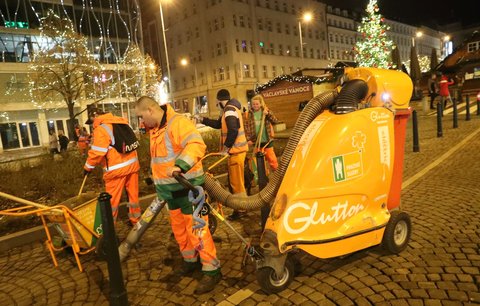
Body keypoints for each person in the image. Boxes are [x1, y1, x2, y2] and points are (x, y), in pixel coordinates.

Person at [135, 96, 221, 294]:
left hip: (188, 190)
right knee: (180, 230)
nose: (141, 122)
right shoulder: (156, 130)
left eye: (141, 116)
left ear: (149, 110)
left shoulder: (178, 122)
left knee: (198, 230)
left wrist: (180, 166)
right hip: (171, 193)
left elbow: (197, 145)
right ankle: (190, 260)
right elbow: (161, 160)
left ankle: (211, 270)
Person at [196, 89, 248, 221]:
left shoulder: (229, 110)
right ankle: (241, 207)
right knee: (235, 182)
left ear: (219, 100)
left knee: (237, 184)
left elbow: (233, 130)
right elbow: (219, 124)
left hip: (236, 151)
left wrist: (226, 148)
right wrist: (203, 120)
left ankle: (241, 209)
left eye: (217, 101)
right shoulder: (229, 109)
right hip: (236, 151)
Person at [83, 107, 141, 226]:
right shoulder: (121, 121)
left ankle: (109, 229)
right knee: (133, 197)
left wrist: (87, 167)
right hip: (132, 166)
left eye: (91, 121)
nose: (92, 125)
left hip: (116, 170)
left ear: (95, 116)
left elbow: (97, 152)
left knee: (112, 202)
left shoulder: (101, 128)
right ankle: (136, 223)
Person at [244, 94, 280, 171]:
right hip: (256, 141)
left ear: (261, 104)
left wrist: (268, 114)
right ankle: (263, 176)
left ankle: (277, 172)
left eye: (257, 104)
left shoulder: (266, 111)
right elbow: (246, 128)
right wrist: (248, 139)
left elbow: (275, 121)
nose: (255, 105)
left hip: (267, 140)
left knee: (271, 159)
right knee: (259, 161)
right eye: (253, 104)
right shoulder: (249, 114)